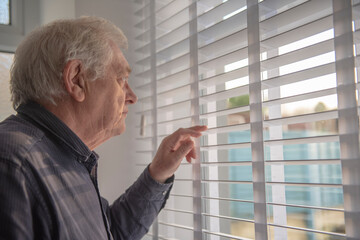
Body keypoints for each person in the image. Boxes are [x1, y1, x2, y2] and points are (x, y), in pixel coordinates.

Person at [0, 16, 207, 240]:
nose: (132, 97)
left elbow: (111, 232)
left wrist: (158, 173)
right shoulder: (13, 163)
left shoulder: (67, 159)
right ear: (77, 79)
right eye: (121, 79)